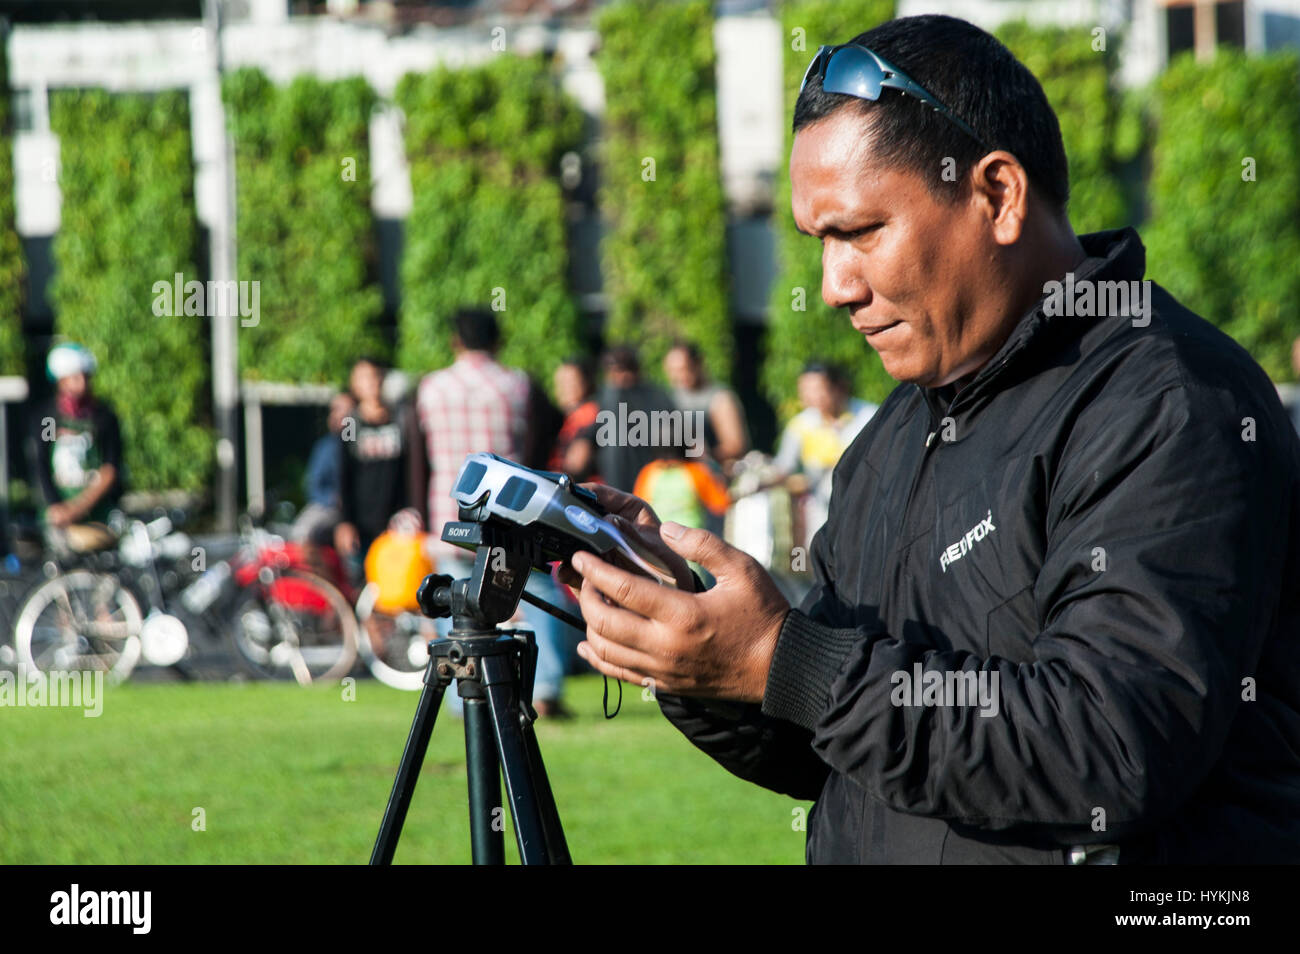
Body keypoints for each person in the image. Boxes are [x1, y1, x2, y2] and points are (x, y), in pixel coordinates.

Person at [561, 15, 1300, 863]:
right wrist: (700, 647)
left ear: (997, 195)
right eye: (819, 244)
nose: (836, 286)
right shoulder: (897, 433)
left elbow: (1112, 746)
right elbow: (834, 745)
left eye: (861, 231)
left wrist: (786, 659)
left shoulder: (1165, 401)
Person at [416, 308, 576, 718]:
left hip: (448, 512)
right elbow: (544, 444)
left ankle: (461, 698)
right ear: (498, 341)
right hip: (510, 516)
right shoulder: (518, 385)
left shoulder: (430, 388)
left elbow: (415, 456)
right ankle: (544, 688)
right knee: (536, 593)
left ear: (455, 341)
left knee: (456, 600)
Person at [768, 360, 876, 543]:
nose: (812, 397)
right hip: (819, 512)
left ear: (839, 387)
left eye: (818, 389)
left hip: (866, 507)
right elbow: (783, 468)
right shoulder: (801, 425)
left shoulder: (869, 416)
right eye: (805, 390)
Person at [27, 342, 122, 551]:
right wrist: (57, 507)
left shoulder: (103, 417)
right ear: (61, 380)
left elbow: (110, 468)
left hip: (97, 514)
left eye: (85, 376)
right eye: (74, 377)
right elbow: (40, 464)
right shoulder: (49, 419)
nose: (81, 383)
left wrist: (78, 508)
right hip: (58, 514)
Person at [334, 358, 421, 585]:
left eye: (374, 376)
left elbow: (411, 468)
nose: (371, 383)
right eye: (363, 378)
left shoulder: (400, 420)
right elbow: (344, 472)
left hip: (397, 519)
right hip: (363, 521)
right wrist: (345, 522)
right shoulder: (351, 424)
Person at [663, 340, 750, 476]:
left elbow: (736, 445)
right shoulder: (670, 398)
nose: (678, 376)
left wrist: (699, 456)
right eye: (672, 371)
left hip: (716, 480)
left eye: (684, 369)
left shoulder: (720, 399)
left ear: (698, 364)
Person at [292, 391, 354, 547]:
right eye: (337, 410)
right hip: (330, 508)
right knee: (301, 533)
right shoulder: (326, 447)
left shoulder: (359, 443)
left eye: (347, 411)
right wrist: (334, 499)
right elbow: (313, 485)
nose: (342, 416)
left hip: (360, 509)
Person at [548, 356, 600, 482]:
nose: (564, 389)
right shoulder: (566, 418)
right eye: (560, 383)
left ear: (586, 383)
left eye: (570, 382)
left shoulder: (588, 413)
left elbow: (576, 465)